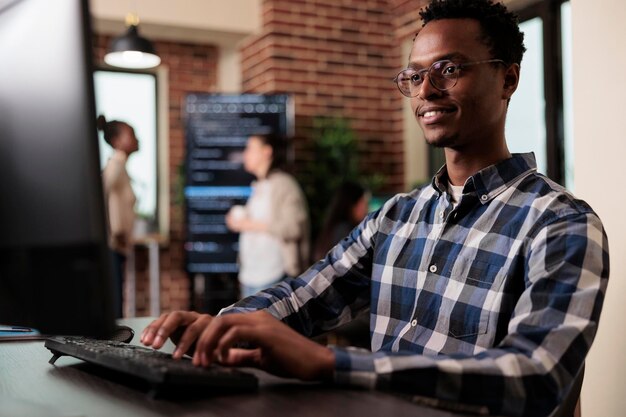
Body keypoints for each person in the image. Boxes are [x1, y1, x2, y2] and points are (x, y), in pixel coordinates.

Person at [140, 1, 609, 416]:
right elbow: (308, 295)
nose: (425, 90)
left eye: (449, 69)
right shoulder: (397, 216)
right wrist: (222, 325)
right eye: (414, 75)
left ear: (508, 77)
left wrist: (329, 362)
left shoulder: (561, 223)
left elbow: (536, 375)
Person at [225, 133, 310, 298]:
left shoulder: (284, 185)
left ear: (266, 152)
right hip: (250, 276)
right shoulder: (259, 186)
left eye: (250, 149)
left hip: (273, 276)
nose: (245, 154)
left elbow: (293, 228)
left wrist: (249, 224)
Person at [97, 115, 139, 318]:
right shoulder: (115, 164)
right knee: (114, 308)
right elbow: (100, 194)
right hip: (112, 245)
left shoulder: (120, 166)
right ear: (117, 142)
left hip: (118, 246)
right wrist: (115, 230)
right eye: (131, 135)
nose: (137, 139)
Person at [313, 181, 370, 261]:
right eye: (364, 203)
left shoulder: (332, 228)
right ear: (352, 205)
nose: (367, 210)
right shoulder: (345, 232)